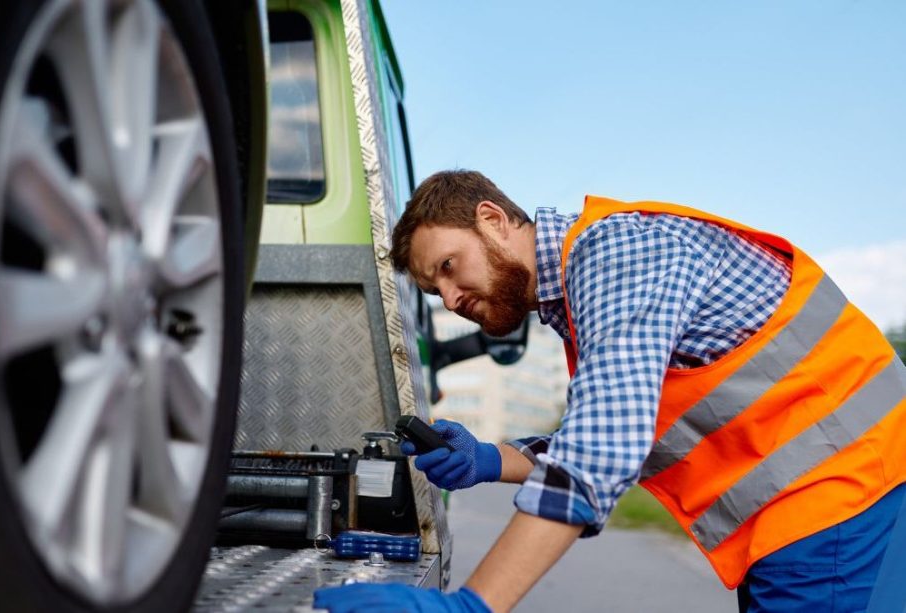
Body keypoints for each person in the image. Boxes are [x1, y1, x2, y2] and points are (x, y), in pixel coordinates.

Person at [313, 170, 906, 613]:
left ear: (493, 220)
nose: (450, 299)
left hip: (836, 506)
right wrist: (491, 459)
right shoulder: (578, 299)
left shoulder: (613, 253)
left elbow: (603, 445)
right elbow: (636, 426)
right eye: (433, 290)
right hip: (848, 496)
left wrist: (476, 603)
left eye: (448, 265)